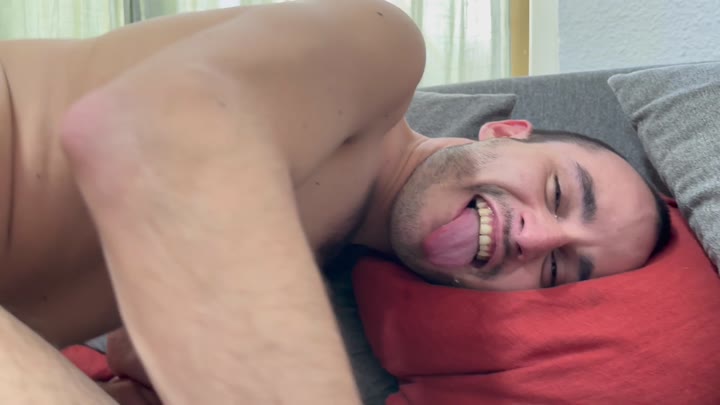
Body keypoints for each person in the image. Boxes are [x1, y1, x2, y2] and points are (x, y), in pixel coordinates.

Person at [0, 1, 669, 403]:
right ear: (506, 132)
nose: (537, 236)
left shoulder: (321, 257)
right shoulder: (382, 49)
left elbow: (132, 329)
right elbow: (157, 127)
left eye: (557, 269)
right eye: (558, 192)